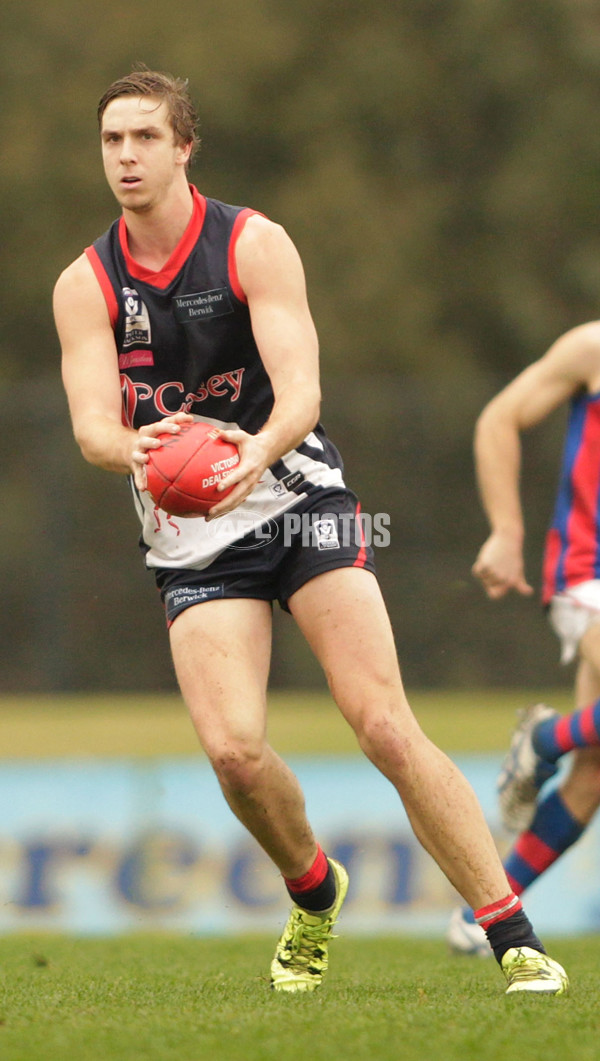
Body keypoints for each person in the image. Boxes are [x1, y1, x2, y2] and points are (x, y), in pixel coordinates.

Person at [54, 65, 567, 995]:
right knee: (234, 754)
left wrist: (255, 450)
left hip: (297, 497)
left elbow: (303, 391)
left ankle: (513, 934)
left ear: (183, 148)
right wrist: (135, 447)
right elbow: (92, 424)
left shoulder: (254, 243)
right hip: (192, 532)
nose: (125, 156)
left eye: (144, 138)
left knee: (382, 722)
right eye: (110, 140)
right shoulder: (85, 282)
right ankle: (314, 887)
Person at [447, 322, 600, 957]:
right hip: (589, 573)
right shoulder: (593, 347)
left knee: (592, 773)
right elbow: (499, 419)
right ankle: (541, 740)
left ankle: (483, 914)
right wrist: (506, 532)